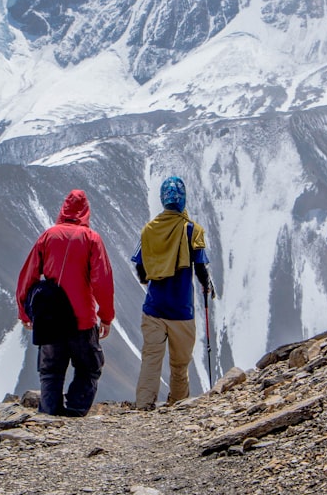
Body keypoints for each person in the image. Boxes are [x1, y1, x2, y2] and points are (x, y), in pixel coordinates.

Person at [16, 189, 114, 417]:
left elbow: (28, 276)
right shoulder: (91, 239)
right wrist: (106, 317)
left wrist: (25, 312)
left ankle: (50, 415)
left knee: (50, 371)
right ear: (86, 211)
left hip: (50, 318)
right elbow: (102, 281)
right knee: (88, 368)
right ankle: (76, 411)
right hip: (82, 320)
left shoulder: (48, 236)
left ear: (63, 210)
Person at [132, 176, 215, 410]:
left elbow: (139, 266)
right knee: (179, 365)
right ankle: (179, 405)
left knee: (151, 360)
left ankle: (144, 405)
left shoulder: (150, 230)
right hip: (182, 312)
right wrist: (207, 286)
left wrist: (149, 281)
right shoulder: (192, 230)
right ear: (182, 199)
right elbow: (200, 267)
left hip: (154, 309)